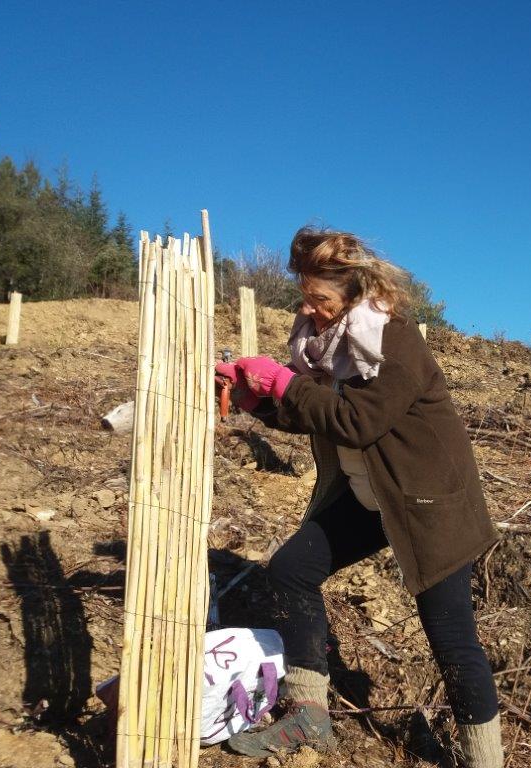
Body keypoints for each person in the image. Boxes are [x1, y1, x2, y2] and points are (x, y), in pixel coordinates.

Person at [214, 226, 503, 767]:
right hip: (372, 496)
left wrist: (283, 382)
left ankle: (484, 760)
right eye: (304, 296)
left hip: (429, 505)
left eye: (319, 299)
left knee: (453, 642)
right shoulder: (326, 345)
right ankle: (308, 715)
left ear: (353, 292)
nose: (309, 309)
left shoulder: (393, 340)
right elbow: (313, 411)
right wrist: (256, 398)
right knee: (291, 569)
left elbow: (356, 420)